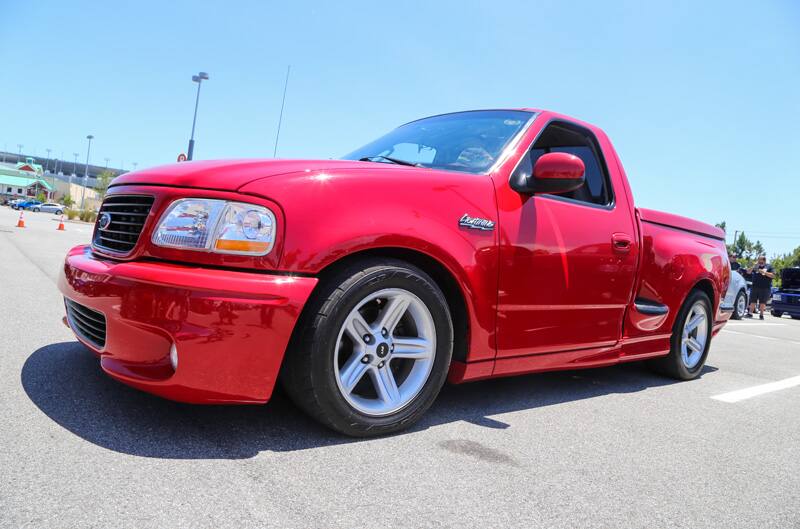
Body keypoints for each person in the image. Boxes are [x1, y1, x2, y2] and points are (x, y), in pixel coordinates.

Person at [745, 255, 775, 320]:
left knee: (762, 302)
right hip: (755, 286)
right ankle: (750, 313)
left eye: (760, 260)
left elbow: (773, 275)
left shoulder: (769, 266)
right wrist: (753, 267)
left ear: (764, 261)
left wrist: (764, 272)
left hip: (765, 287)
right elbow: (748, 272)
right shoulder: (756, 266)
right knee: (752, 300)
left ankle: (761, 315)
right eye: (758, 260)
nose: (759, 262)